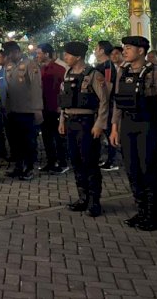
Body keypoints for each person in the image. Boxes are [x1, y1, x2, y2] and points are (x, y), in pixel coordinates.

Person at [110, 36, 157, 231]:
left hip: (148, 126)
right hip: (128, 125)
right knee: (133, 170)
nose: (125, 51)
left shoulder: (156, 73)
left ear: (141, 51)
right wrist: (114, 127)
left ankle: (154, 216)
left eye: (129, 48)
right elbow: (118, 102)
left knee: (148, 170)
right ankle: (142, 210)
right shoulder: (124, 71)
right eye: (124, 48)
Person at [58, 41, 109, 217]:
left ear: (78, 56)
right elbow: (64, 101)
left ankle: (95, 202)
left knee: (90, 162)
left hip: (87, 123)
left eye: (68, 54)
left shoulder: (93, 75)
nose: (65, 57)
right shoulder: (68, 74)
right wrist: (62, 121)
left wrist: (100, 124)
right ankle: (83, 198)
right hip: (71, 121)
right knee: (76, 161)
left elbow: (104, 101)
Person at [3, 41, 43, 181]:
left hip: (27, 110)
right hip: (12, 110)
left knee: (28, 141)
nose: (8, 57)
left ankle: (29, 168)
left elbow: (36, 87)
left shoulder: (30, 64)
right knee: (15, 141)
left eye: (9, 54)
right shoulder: (8, 66)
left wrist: (37, 108)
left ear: (16, 52)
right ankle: (18, 166)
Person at [37, 43, 68, 174]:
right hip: (44, 108)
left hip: (56, 108)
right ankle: (51, 162)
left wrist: (61, 107)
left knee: (58, 137)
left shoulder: (60, 69)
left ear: (46, 54)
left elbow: (64, 90)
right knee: (46, 136)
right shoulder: (42, 69)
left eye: (39, 53)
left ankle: (63, 162)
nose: (37, 56)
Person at [94, 40, 119, 172]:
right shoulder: (101, 66)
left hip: (107, 105)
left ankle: (111, 160)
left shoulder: (108, 66)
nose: (95, 51)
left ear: (102, 50)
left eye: (96, 48)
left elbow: (108, 86)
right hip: (101, 104)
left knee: (109, 131)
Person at [0, 49, 9, 160]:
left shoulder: (10, 70)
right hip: (2, 107)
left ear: (5, 57)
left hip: (12, 107)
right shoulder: (0, 71)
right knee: (5, 132)